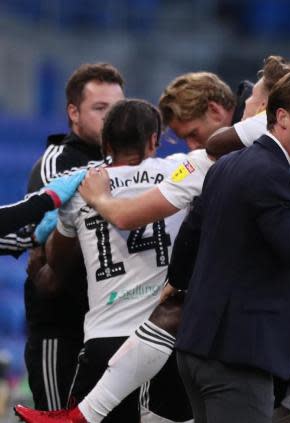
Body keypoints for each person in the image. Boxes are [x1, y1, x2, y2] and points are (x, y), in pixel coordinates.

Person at [13, 71, 235, 423]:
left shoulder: (82, 190)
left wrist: (41, 250)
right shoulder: (181, 169)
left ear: (104, 145)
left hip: (103, 340)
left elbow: (56, 269)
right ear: (154, 140)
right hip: (164, 339)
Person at [164, 70, 290, 423]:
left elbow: (189, 240)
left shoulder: (228, 164)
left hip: (197, 349)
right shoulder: (272, 173)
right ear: (281, 118)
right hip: (237, 357)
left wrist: (179, 284)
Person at [20, 63, 124, 412]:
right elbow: (47, 239)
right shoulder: (57, 163)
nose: (111, 119)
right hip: (62, 327)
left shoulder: (128, 163)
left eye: (118, 109)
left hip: (112, 326)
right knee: (55, 416)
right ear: (73, 112)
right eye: (100, 109)